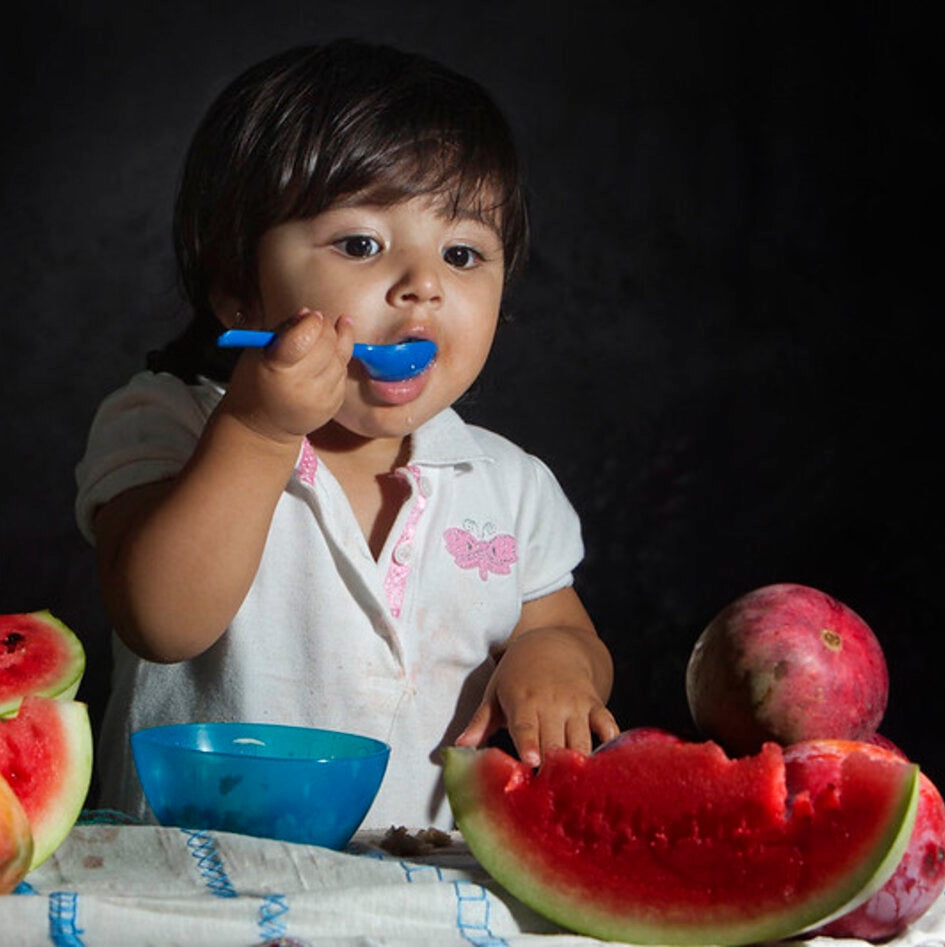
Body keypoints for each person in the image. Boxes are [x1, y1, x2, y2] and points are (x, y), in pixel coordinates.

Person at [74, 39, 619, 829]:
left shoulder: (508, 484)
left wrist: (559, 660)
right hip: (201, 893)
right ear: (236, 287)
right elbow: (163, 619)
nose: (423, 286)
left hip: (430, 897)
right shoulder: (167, 420)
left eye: (463, 253)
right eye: (361, 244)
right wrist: (259, 430)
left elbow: (564, 625)